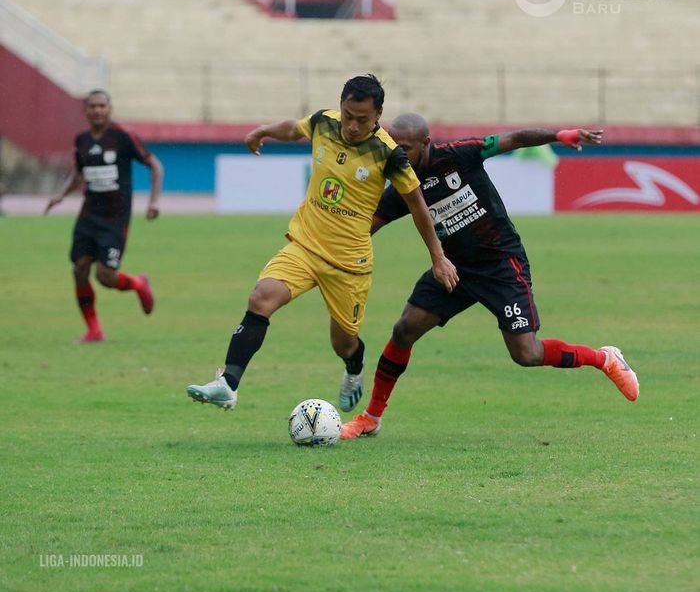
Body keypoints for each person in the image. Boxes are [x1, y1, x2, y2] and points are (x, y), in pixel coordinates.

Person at [341, 113, 639, 439]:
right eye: (393, 148)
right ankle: (371, 416)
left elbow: (515, 138)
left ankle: (604, 358)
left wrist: (560, 134)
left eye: (406, 148)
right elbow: (366, 227)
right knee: (404, 329)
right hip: (454, 268)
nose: (399, 155)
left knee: (527, 354)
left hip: (501, 266)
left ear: (426, 144)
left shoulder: (459, 155)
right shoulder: (403, 186)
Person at [186, 75, 458, 413]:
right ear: (340, 107)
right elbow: (294, 128)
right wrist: (264, 130)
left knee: (342, 343)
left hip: (348, 263)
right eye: (348, 115)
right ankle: (228, 384)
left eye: (363, 120)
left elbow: (417, 205)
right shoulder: (323, 122)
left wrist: (438, 257)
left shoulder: (389, 154)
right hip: (305, 246)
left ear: (378, 116)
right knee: (261, 298)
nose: (353, 126)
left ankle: (354, 368)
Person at [45, 89, 163, 342]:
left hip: (115, 218)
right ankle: (94, 330)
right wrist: (61, 195)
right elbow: (79, 174)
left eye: (102, 106)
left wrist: (153, 201)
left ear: (110, 108)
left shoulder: (123, 137)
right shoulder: (82, 140)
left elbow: (155, 165)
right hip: (88, 216)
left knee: (105, 277)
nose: (97, 110)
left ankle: (139, 284)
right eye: (93, 106)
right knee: (79, 269)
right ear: (85, 110)